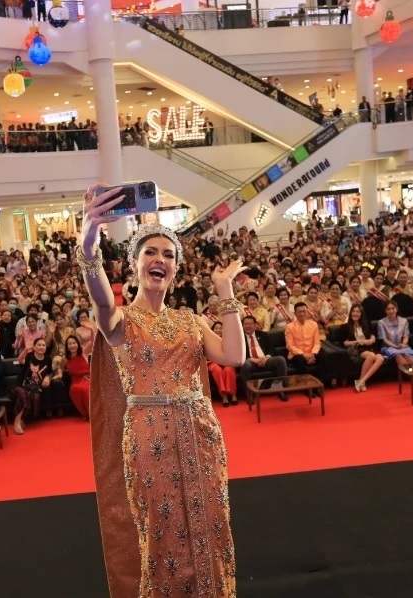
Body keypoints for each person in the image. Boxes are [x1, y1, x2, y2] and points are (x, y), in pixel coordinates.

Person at [80, 185, 244, 597]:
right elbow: (101, 299)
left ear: (175, 268)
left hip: (201, 434)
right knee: (161, 529)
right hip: (149, 435)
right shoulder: (120, 321)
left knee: (211, 520)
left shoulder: (190, 320)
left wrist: (225, 291)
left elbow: (234, 356)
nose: (160, 260)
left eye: (168, 255)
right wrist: (89, 240)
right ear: (134, 264)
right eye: (150, 252)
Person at [377, 301, 413, 386]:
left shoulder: (404, 321)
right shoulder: (381, 322)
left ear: (396, 309)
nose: (391, 311)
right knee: (398, 355)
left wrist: (403, 344)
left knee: (409, 356)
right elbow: (384, 339)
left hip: (401, 345)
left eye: (393, 308)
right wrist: (395, 346)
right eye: (388, 309)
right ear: (385, 311)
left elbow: (406, 336)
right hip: (388, 347)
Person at [341, 304, 384, 392]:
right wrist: (357, 342)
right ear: (350, 313)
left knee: (380, 358)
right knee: (371, 355)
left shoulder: (366, 324)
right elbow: (345, 343)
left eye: (358, 312)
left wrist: (370, 340)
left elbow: (373, 337)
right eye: (353, 311)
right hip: (357, 348)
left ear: (361, 314)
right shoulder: (345, 326)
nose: (355, 314)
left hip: (369, 347)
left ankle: (361, 381)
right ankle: (362, 382)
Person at [13, 337, 51, 434]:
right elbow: (19, 360)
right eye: (39, 345)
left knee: (34, 395)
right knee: (23, 395)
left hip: (35, 387)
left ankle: (22, 420)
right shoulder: (29, 356)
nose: (41, 347)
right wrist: (26, 350)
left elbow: (49, 372)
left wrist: (47, 377)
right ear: (34, 347)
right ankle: (17, 421)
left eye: (43, 345)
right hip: (22, 384)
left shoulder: (48, 359)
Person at [285, 302, 324, 376]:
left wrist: (313, 354)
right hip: (297, 355)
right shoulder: (289, 327)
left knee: (323, 354)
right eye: (300, 312)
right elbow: (290, 346)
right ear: (295, 313)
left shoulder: (314, 324)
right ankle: (305, 381)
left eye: (304, 311)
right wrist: (304, 355)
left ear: (307, 312)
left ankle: (321, 381)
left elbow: (317, 343)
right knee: (300, 359)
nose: (302, 314)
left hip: (312, 353)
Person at [207, 321, 239, 406]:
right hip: (213, 362)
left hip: (227, 362)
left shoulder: (229, 340)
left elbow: (233, 353)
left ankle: (233, 394)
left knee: (229, 369)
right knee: (217, 370)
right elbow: (207, 355)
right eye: (216, 328)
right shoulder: (208, 341)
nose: (218, 330)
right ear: (212, 330)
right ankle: (224, 396)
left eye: (220, 328)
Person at [63, 335, 91, 419]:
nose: (72, 345)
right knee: (75, 390)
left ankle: (92, 413)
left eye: (74, 343)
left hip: (87, 378)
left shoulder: (84, 353)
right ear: (67, 347)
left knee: (86, 389)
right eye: (70, 344)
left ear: (78, 344)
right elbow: (61, 370)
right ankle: (85, 413)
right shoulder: (65, 359)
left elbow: (92, 341)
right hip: (75, 380)